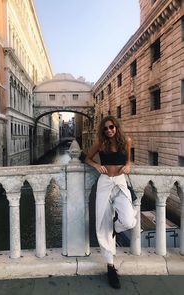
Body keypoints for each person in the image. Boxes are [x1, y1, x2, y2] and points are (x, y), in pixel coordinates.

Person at [85, 115, 137, 289]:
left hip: (120, 182)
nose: (109, 130)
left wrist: (128, 164)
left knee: (129, 220)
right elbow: (87, 158)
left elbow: (128, 159)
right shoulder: (101, 143)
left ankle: (116, 226)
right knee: (102, 225)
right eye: (106, 128)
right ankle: (110, 266)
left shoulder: (126, 141)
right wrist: (96, 166)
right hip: (105, 183)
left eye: (112, 127)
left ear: (116, 127)